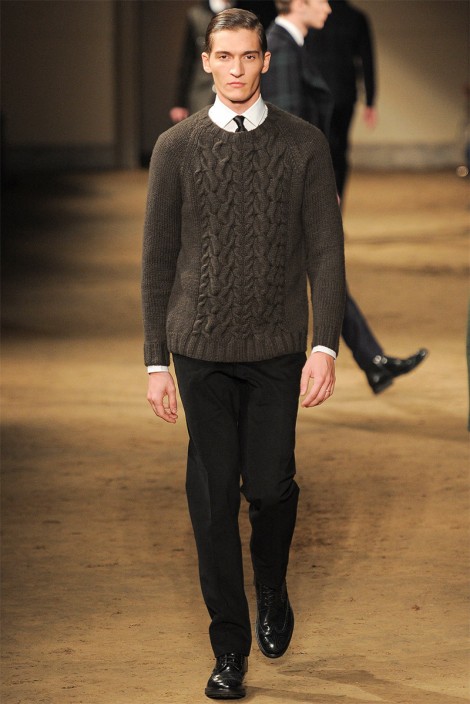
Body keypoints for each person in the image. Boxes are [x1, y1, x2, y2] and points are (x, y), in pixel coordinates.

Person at [142, 8, 345, 699]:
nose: (236, 69)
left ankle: (273, 586)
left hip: (276, 348)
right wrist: (155, 361)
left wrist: (324, 345)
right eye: (224, 56)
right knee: (210, 500)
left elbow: (325, 252)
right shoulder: (175, 147)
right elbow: (157, 258)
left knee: (270, 487)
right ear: (206, 62)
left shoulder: (303, 145)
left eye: (248, 56)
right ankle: (228, 649)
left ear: (265, 61)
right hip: (198, 349)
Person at [262, 0, 428, 395]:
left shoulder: (290, 44)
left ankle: (372, 361)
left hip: (292, 188)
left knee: (322, 272)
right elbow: (287, 133)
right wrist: (316, 188)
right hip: (286, 192)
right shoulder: (280, 47)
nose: (328, 6)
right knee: (301, 276)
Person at [305, 0, 376, 200]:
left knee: (316, 151)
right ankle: (337, 205)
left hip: (315, 95)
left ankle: (321, 205)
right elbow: (367, 60)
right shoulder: (356, 18)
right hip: (344, 94)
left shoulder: (311, 16)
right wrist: (370, 100)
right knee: (339, 152)